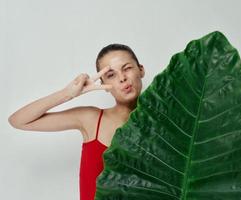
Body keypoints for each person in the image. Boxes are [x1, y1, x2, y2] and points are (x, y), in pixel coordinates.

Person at [7, 43, 146, 200]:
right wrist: (68, 94)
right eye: (111, 75)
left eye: (127, 68)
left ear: (141, 70)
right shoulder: (91, 119)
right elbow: (18, 121)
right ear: (104, 86)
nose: (122, 78)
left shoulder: (163, 126)